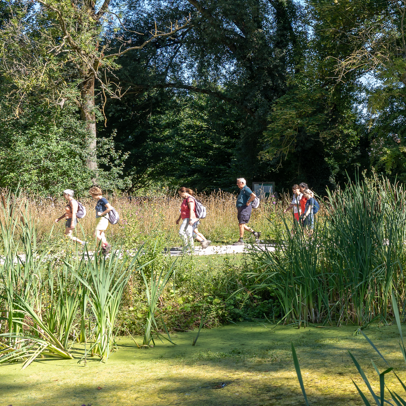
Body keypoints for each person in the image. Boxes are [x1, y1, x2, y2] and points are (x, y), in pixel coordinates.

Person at [176, 187, 211, 252]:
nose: (180, 195)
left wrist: (191, 219)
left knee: (182, 232)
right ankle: (192, 248)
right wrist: (178, 219)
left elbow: (192, 210)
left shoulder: (190, 199)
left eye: (180, 194)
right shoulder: (185, 199)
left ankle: (187, 246)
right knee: (189, 232)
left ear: (184, 192)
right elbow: (183, 210)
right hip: (185, 218)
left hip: (189, 218)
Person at [234, 178, 261, 245]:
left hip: (245, 208)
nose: (237, 184)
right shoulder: (242, 190)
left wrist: (248, 202)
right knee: (242, 224)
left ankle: (241, 240)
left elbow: (253, 196)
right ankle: (255, 233)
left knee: (241, 224)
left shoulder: (246, 189)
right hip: (242, 208)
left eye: (238, 183)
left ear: (242, 183)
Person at [89, 186, 112, 254]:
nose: (92, 196)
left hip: (103, 218)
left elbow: (109, 208)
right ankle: (104, 250)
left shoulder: (103, 200)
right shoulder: (99, 201)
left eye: (92, 195)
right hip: (99, 219)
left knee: (95, 234)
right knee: (101, 234)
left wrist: (102, 214)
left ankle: (106, 245)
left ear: (95, 194)